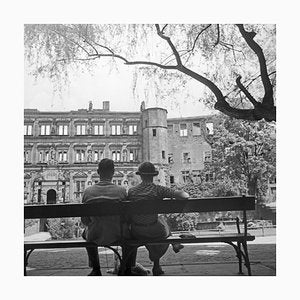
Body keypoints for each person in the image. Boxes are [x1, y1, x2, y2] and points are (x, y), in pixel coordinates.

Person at [81, 158, 147, 276]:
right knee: (132, 233)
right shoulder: (121, 191)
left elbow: (85, 221)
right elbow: (128, 218)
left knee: (85, 233)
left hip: (95, 234)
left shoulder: (88, 192)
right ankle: (127, 268)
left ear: (98, 172)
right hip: (119, 234)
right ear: (113, 172)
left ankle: (96, 269)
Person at [128, 162, 189, 276]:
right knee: (161, 224)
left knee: (158, 223)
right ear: (153, 176)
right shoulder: (158, 190)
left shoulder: (132, 191)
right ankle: (157, 264)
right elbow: (184, 196)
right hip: (154, 230)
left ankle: (169, 249)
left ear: (140, 175)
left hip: (137, 231)